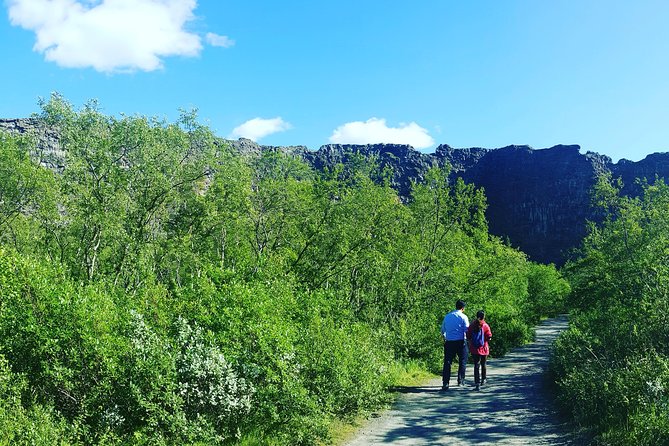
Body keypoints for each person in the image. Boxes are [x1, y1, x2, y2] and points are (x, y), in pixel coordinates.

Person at [440, 299, 469, 391]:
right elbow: (467, 330)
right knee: (462, 361)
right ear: (463, 308)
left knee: (447, 362)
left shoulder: (447, 316)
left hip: (449, 342)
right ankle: (460, 380)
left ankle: (445, 382)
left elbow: (442, 330)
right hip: (460, 341)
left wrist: (446, 337)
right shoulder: (464, 317)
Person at [467, 310, 492, 391]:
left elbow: (468, 336)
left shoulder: (472, 325)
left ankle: (477, 382)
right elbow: (489, 336)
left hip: (474, 348)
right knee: (483, 364)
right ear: (484, 316)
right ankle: (483, 379)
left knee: (476, 365)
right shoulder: (485, 325)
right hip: (484, 347)